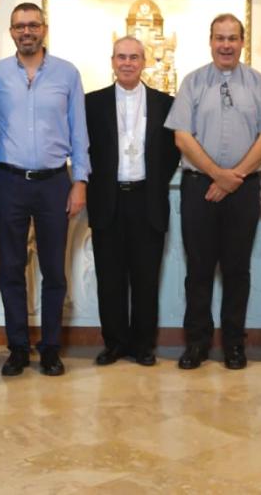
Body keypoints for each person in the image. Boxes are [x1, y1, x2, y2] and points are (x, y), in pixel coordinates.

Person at [165, 13, 261, 371]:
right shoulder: (193, 82)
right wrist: (218, 175)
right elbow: (181, 135)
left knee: (236, 270)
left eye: (232, 38)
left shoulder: (258, 83)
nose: (226, 44)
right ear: (210, 41)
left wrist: (236, 176)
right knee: (198, 270)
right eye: (220, 38)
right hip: (200, 187)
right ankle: (197, 344)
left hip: (243, 190)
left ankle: (234, 344)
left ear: (242, 42)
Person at [0, 2, 90, 377]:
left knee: (54, 271)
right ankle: (17, 347)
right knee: (11, 268)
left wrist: (79, 181)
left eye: (32, 25)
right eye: (19, 26)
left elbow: (79, 131)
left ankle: (50, 348)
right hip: (9, 180)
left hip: (53, 183)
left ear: (43, 29)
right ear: (11, 32)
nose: (26, 31)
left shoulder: (66, 73)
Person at [85, 36, 181, 367]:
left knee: (145, 277)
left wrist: (152, 181)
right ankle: (114, 343)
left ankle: (143, 345)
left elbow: (171, 152)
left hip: (146, 199)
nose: (127, 63)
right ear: (112, 61)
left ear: (144, 62)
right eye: (121, 57)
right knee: (109, 279)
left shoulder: (165, 103)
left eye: (134, 57)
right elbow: (86, 151)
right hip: (107, 200)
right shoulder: (91, 103)